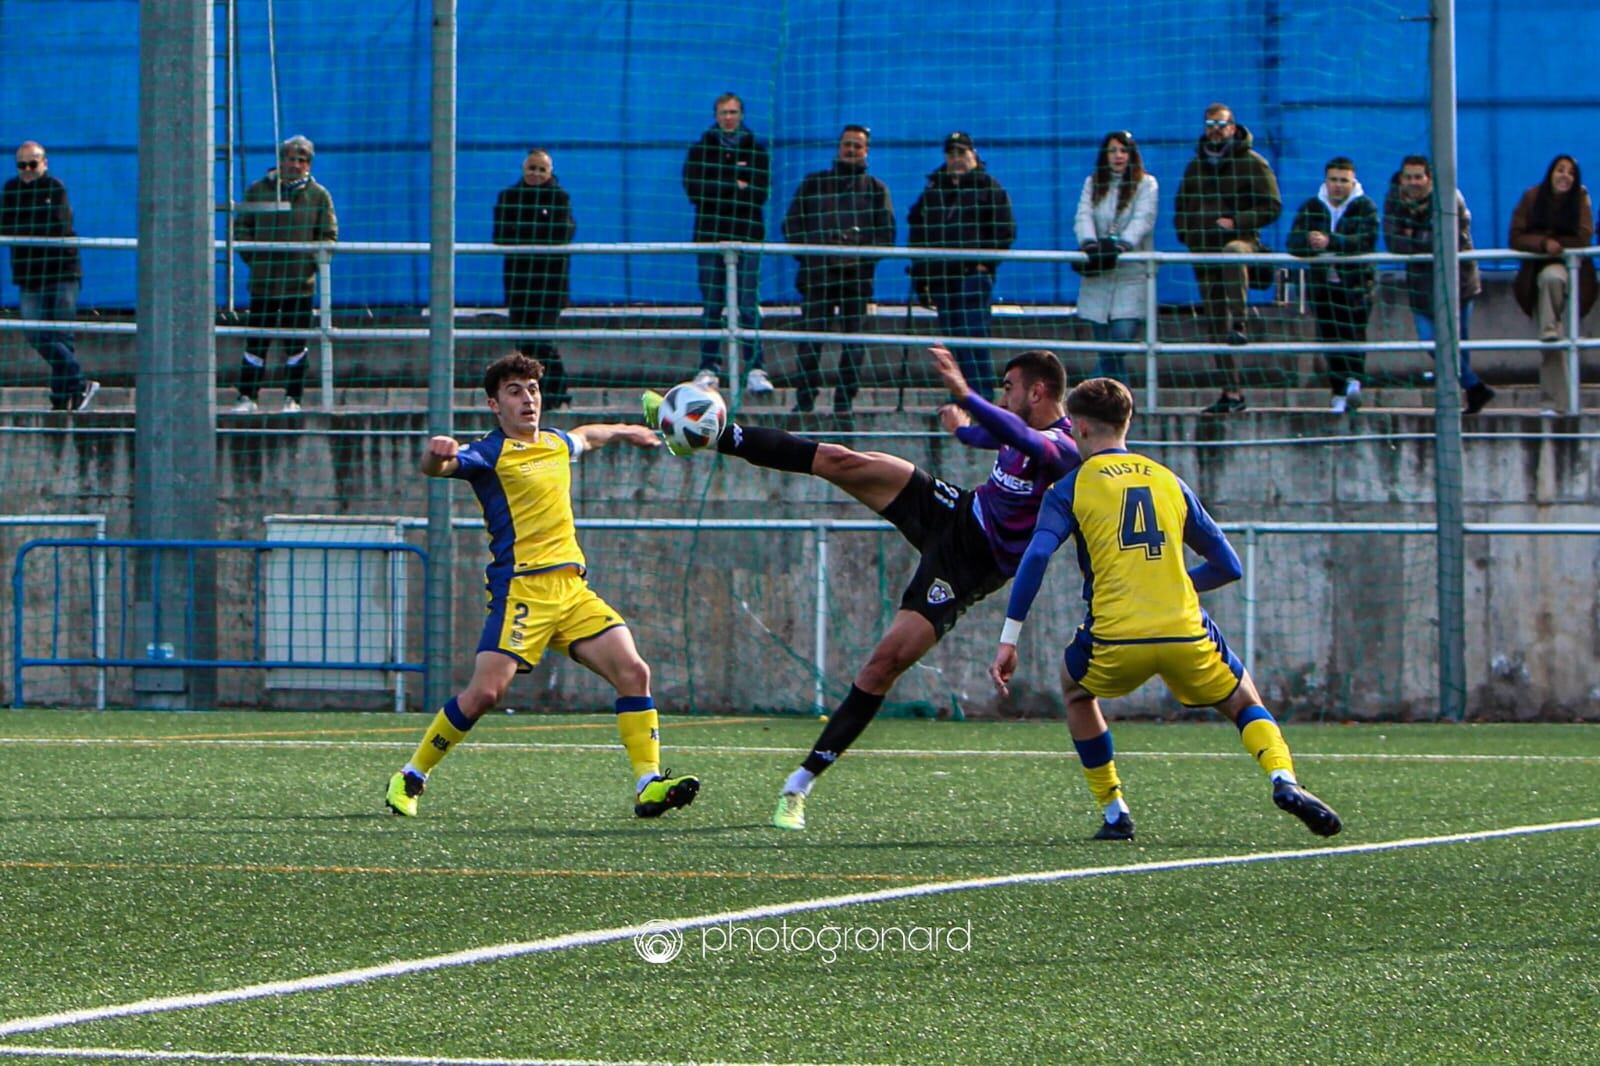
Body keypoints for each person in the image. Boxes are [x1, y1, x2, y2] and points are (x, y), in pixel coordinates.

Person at [645, 344, 1077, 830]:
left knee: (882, 665)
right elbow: (996, 435)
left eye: (1010, 387)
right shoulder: (1016, 429)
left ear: (1038, 391)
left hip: (969, 567)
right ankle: (709, 435)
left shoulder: (1062, 448)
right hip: (954, 511)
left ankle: (798, 784)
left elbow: (1020, 436)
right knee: (841, 459)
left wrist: (965, 394)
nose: (1005, 394)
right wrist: (960, 428)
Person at [988, 377, 1341, 842]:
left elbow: (1036, 556)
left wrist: (1009, 639)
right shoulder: (1168, 480)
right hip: (1184, 633)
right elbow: (1227, 565)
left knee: (1075, 690)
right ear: (1127, 422)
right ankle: (1283, 779)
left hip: (1115, 638)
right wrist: (1172, 583)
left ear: (1082, 430)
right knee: (1242, 700)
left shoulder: (1069, 488)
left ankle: (1115, 812)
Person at [386, 351, 700, 820]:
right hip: (523, 592)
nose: (528, 399)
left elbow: (586, 437)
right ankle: (410, 777)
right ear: (495, 405)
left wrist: (625, 432)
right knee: (485, 694)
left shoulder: (555, 442)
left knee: (634, 671)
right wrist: (435, 458)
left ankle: (648, 784)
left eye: (532, 390)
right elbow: (443, 470)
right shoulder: (490, 453)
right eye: (514, 391)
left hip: (573, 592)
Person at [1174, 103, 1282, 414]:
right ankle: (1230, 392)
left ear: (1233, 127)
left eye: (1221, 124)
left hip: (1241, 243)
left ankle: (1241, 320)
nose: (1215, 129)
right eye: (1210, 123)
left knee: (1233, 254)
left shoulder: (1252, 162)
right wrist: (1190, 236)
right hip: (1205, 253)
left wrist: (1238, 221)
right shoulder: (1195, 167)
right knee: (1214, 324)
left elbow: (1272, 206)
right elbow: (1182, 209)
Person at [781, 124, 895, 414]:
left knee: (854, 344)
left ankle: (844, 401)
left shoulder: (876, 189)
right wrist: (815, 255)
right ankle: (804, 399)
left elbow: (887, 235)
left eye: (858, 145)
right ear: (838, 147)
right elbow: (792, 225)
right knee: (809, 343)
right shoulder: (814, 184)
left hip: (856, 280)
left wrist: (857, 256)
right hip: (817, 277)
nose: (851, 150)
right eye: (847, 144)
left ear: (866, 151)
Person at [230, 135, 337, 414]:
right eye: (290, 158)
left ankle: (293, 399)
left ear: (309, 165)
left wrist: (308, 265)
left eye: (301, 160)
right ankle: (247, 397)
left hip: (299, 286)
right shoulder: (257, 190)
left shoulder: (319, 196)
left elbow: (328, 236)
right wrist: (256, 260)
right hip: (264, 283)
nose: (295, 164)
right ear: (280, 160)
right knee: (256, 343)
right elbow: (241, 228)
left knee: (296, 345)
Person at [1382, 154, 1494, 414]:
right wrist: (1421, 240)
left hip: (1458, 283)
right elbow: (1393, 242)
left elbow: (1448, 240)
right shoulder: (1394, 200)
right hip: (1421, 286)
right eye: (1408, 177)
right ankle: (1474, 387)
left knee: (1458, 343)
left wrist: (1413, 238)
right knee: (1430, 340)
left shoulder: (1449, 197)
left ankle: (1462, 397)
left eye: (1418, 177)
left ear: (1429, 178)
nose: (1413, 182)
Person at [908, 132, 1017, 398]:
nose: (956, 159)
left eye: (962, 153)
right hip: (942, 279)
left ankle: (980, 399)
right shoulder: (934, 191)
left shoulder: (989, 188)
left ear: (974, 155)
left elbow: (1005, 231)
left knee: (973, 340)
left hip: (972, 277)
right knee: (953, 342)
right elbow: (918, 235)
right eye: (951, 154)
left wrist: (984, 264)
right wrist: (921, 280)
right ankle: (959, 396)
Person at [682, 92, 772, 396]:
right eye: (723, 112)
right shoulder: (701, 150)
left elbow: (760, 192)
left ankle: (755, 368)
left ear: (742, 115)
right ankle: (709, 367)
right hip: (710, 237)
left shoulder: (756, 150)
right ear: (716, 115)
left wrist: (719, 184)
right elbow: (695, 190)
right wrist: (735, 183)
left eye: (733, 112)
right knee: (712, 305)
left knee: (748, 305)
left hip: (747, 237)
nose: (728, 117)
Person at [1, 141, 96, 412]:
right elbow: (6, 224)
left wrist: (25, 228)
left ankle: (61, 398)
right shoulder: (10, 190)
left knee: (61, 336)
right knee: (36, 334)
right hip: (29, 275)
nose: (28, 170)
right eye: (22, 165)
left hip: (61, 272)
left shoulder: (54, 187)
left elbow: (59, 224)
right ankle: (78, 383)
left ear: (44, 163)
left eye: (33, 163)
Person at [1287, 157, 1378, 413]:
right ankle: (1339, 392)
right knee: (1330, 338)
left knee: (1353, 335)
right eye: (1333, 180)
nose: (1337, 186)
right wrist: (1310, 241)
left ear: (1353, 182)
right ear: (1325, 181)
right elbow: (1292, 242)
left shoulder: (1365, 207)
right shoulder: (1312, 207)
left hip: (1356, 285)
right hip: (1323, 285)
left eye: (1343, 181)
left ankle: (1354, 383)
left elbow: (1366, 240)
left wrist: (1331, 242)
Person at [1508, 154, 1596, 412]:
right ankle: (1561, 404)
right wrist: (1544, 245)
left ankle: (1556, 402)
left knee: (1554, 280)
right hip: (1536, 277)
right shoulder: (1531, 197)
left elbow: (1584, 236)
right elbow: (1515, 236)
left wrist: (1556, 244)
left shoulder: (1580, 199)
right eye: (1560, 170)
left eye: (1570, 172)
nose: (1565, 176)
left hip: (1575, 279)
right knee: (1555, 344)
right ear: (1550, 173)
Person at [1072, 131, 1158, 384]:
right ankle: (1118, 408)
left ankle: (1086, 392)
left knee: (1120, 339)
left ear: (1132, 154)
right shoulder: (1093, 183)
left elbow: (1144, 218)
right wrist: (1089, 244)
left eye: (1123, 150)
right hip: (1099, 273)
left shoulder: (1147, 184)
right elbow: (1083, 215)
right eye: (1112, 151)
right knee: (1105, 345)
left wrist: (1122, 246)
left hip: (1131, 273)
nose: (1118, 156)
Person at [494, 148, 577, 409]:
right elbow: (501, 235)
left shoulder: (559, 198)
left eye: (542, 169)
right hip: (519, 281)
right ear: (523, 169)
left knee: (540, 338)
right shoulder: (509, 197)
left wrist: (529, 231)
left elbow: (562, 232)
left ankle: (557, 389)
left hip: (550, 283)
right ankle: (537, 395)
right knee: (524, 341)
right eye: (532, 168)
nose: (536, 174)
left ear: (551, 172)